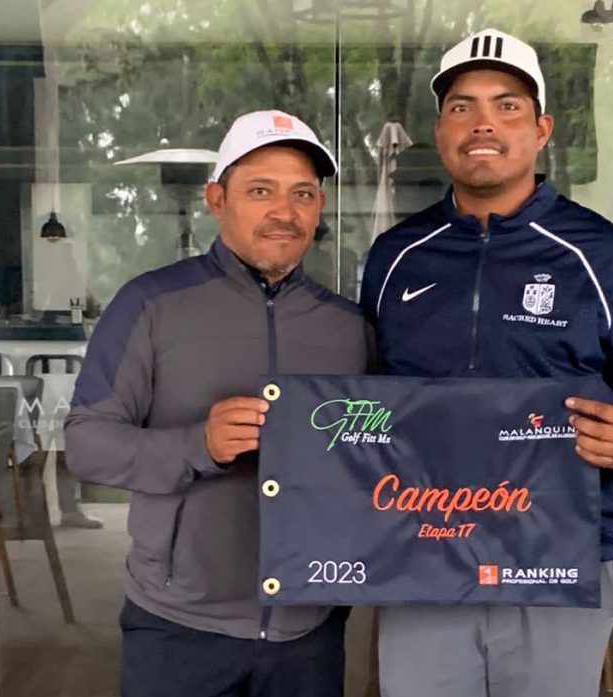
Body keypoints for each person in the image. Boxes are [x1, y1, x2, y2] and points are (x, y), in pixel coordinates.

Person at [359, 29, 613, 697]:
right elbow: (360, 408)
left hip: (557, 561)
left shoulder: (605, 256)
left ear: (541, 129)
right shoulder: (395, 257)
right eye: (461, 107)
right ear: (440, 131)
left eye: (507, 106)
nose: (483, 123)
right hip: (421, 557)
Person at [64, 110, 374, 697]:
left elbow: (382, 455)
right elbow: (86, 443)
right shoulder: (150, 305)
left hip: (310, 629)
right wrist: (196, 445)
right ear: (216, 200)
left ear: (319, 208)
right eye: (260, 191)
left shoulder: (348, 327)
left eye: (303, 193)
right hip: (178, 627)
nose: (284, 211)